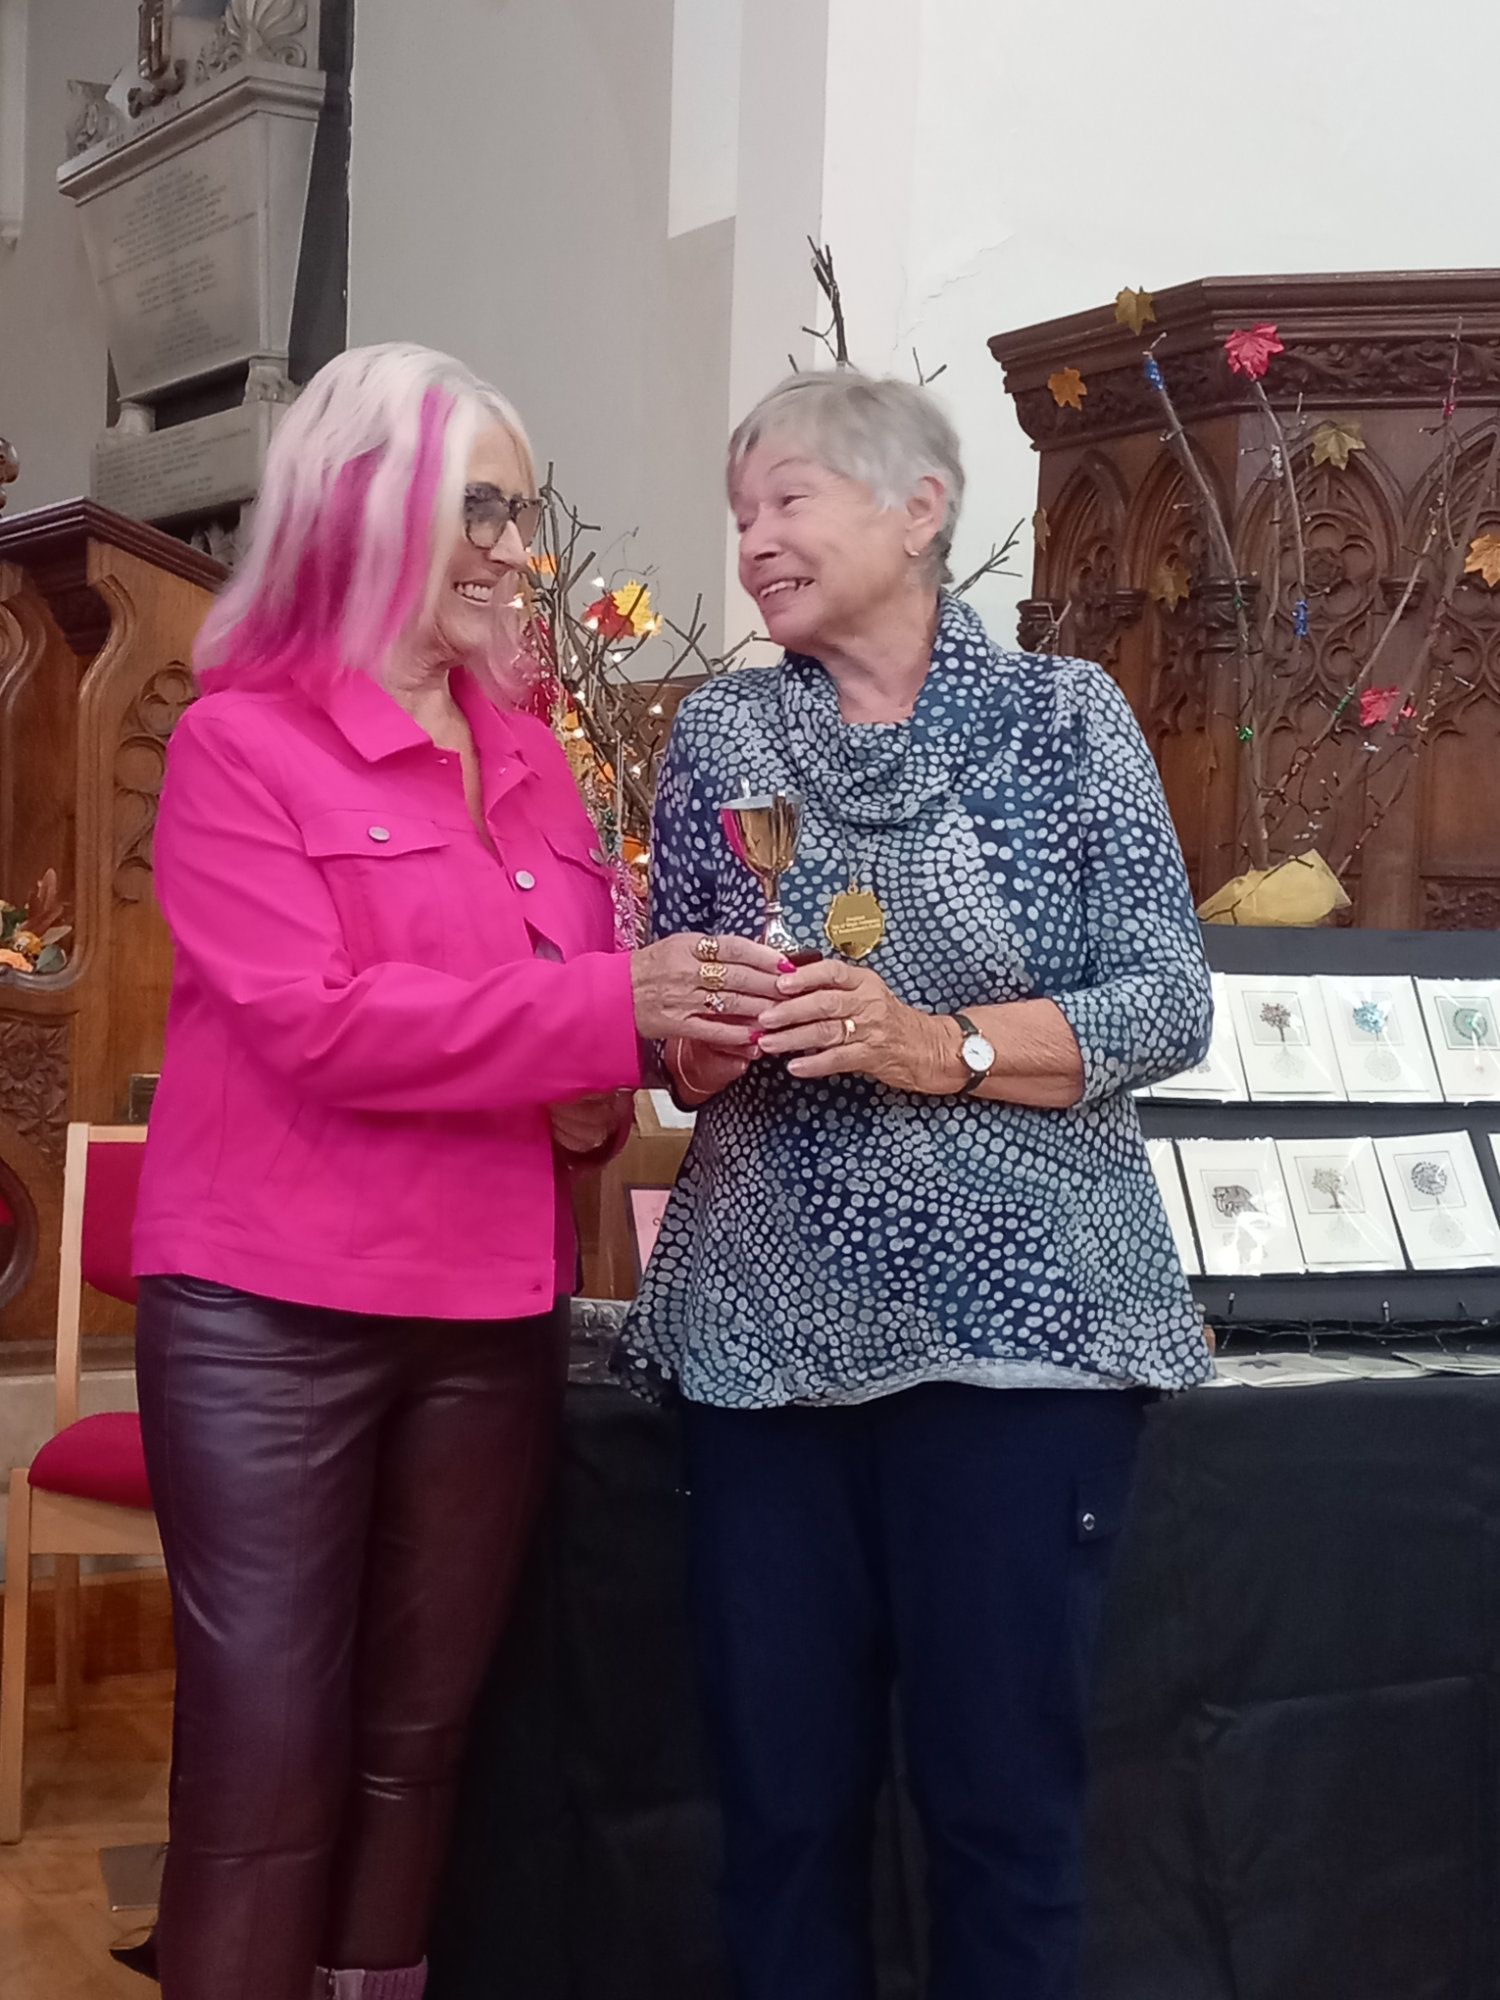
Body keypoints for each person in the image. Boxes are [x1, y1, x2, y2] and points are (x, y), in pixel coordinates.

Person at [131, 343, 782, 2000]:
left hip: (488, 1307)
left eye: (521, 508)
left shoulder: (534, 750)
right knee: (267, 1759)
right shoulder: (237, 744)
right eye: (480, 508)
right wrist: (601, 1007)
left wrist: (672, 1044)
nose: (515, 545)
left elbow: (567, 1007)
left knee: (421, 1744)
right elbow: (317, 1024)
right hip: (271, 1315)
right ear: (369, 511)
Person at [620, 369, 1214, 2000]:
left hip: (1021, 1349)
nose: (755, 541)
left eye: (789, 499)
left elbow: (1166, 1002)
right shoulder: (726, 733)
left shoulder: (1067, 720)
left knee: (1000, 1809)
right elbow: (672, 1039)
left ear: (917, 508)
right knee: (782, 1814)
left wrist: (928, 1043)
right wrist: (708, 1031)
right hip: (763, 1350)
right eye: (740, 512)